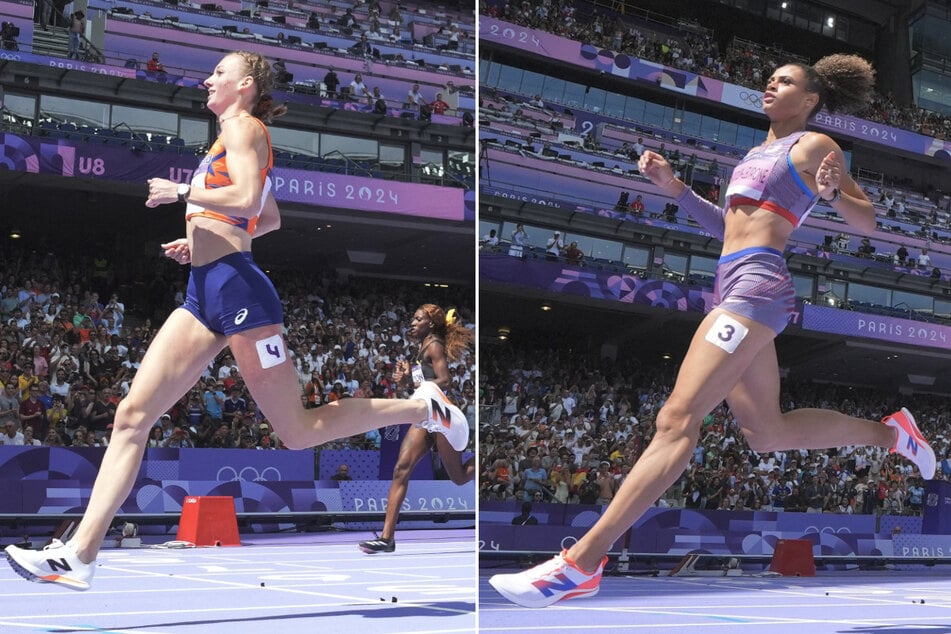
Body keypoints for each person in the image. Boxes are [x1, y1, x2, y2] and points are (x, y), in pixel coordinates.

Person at [5, 50, 468, 592]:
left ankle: (421, 406)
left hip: (241, 291)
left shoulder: (246, 127)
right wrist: (200, 232)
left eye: (218, 72)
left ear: (245, 85)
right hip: (204, 289)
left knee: (296, 432)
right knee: (132, 415)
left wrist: (184, 194)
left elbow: (248, 199)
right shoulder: (225, 139)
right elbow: (266, 217)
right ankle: (80, 554)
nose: (207, 78)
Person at [489, 54, 935, 608]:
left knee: (677, 418)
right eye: (770, 77)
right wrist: (675, 188)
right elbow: (728, 228)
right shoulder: (754, 154)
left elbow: (868, 220)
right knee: (766, 434)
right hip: (728, 282)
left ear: (812, 100)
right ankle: (895, 435)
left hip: (758, 284)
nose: (771, 83)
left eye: (787, 81)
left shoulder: (816, 146)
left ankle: (581, 562)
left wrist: (834, 195)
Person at [358, 304, 475, 554]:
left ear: (430, 324)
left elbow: (444, 380)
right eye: (413, 318)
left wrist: (410, 380)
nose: (412, 322)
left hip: (442, 418)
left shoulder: (434, 345)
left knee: (460, 478)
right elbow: (420, 389)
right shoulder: (419, 350)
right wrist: (405, 382)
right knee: (401, 469)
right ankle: (387, 538)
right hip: (425, 417)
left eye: (417, 318)